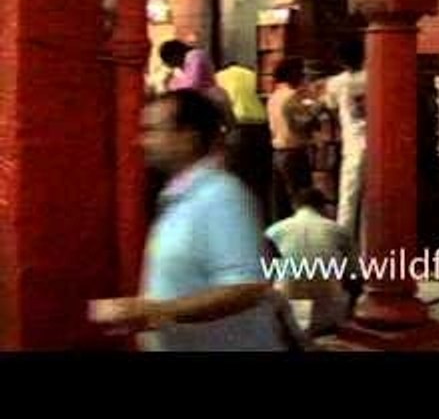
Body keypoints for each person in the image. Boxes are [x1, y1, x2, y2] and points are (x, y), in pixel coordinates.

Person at [89, 90, 285, 351]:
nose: (142, 141)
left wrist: (157, 311)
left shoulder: (221, 195)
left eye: (153, 130)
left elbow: (244, 288)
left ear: (187, 138)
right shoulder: (179, 198)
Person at [266, 188, 360, 336]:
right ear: (323, 207)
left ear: (294, 206)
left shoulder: (274, 230)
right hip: (329, 310)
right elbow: (355, 273)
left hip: (286, 306)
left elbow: (262, 273)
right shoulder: (339, 230)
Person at [323, 37, 368, 244]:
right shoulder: (374, 77)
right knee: (371, 202)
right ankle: (370, 248)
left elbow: (329, 106)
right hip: (378, 145)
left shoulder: (336, 83)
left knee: (348, 201)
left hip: (353, 145)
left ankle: (344, 252)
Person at [267, 57, 317, 225]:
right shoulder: (291, 97)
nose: (303, 77)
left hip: (278, 153)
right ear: (292, 74)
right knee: (301, 202)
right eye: (301, 73)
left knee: (280, 206)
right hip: (294, 153)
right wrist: (317, 107)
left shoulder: (274, 97)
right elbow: (302, 122)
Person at [217, 60, 271, 212]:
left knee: (239, 178)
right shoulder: (254, 75)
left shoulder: (219, 77)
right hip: (261, 129)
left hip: (237, 128)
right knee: (260, 179)